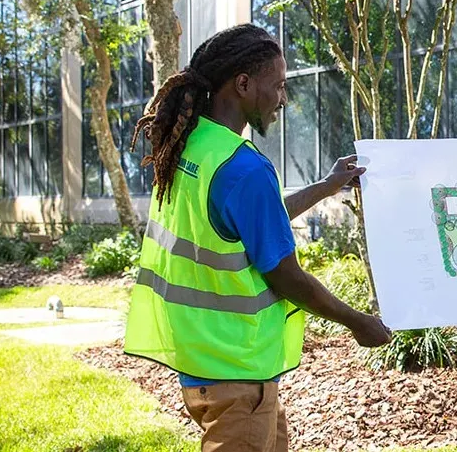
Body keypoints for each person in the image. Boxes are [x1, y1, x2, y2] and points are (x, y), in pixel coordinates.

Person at [123, 24, 392, 452]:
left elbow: (250, 224)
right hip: (238, 375)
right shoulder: (244, 167)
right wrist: (358, 323)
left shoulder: (191, 145)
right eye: (279, 85)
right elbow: (286, 276)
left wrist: (326, 186)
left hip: (205, 362)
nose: (283, 99)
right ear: (243, 84)